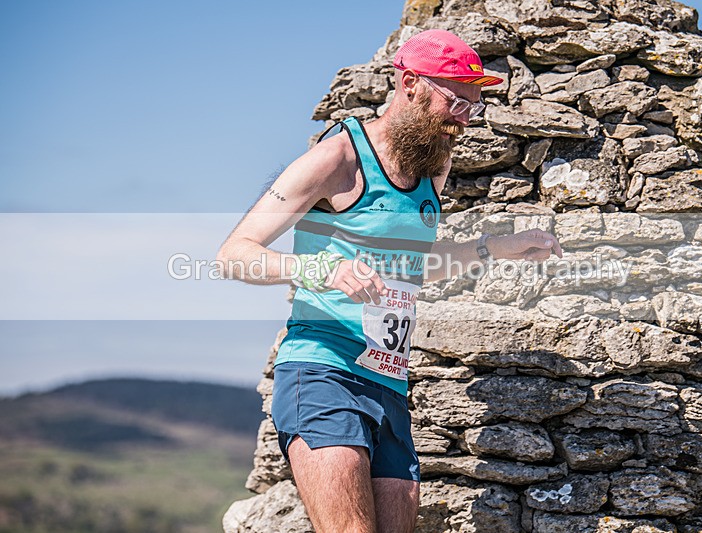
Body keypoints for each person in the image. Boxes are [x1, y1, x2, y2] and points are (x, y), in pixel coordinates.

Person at [217, 29, 563, 533]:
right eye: (455, 101)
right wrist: (321, 269)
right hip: (323, 370)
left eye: (473, 106)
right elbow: (234, 255)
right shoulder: (338, 158)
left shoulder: (433, 165)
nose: (464, 119)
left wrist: (495, 247)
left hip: (388, 380)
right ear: (410, 84)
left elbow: (411, 266)